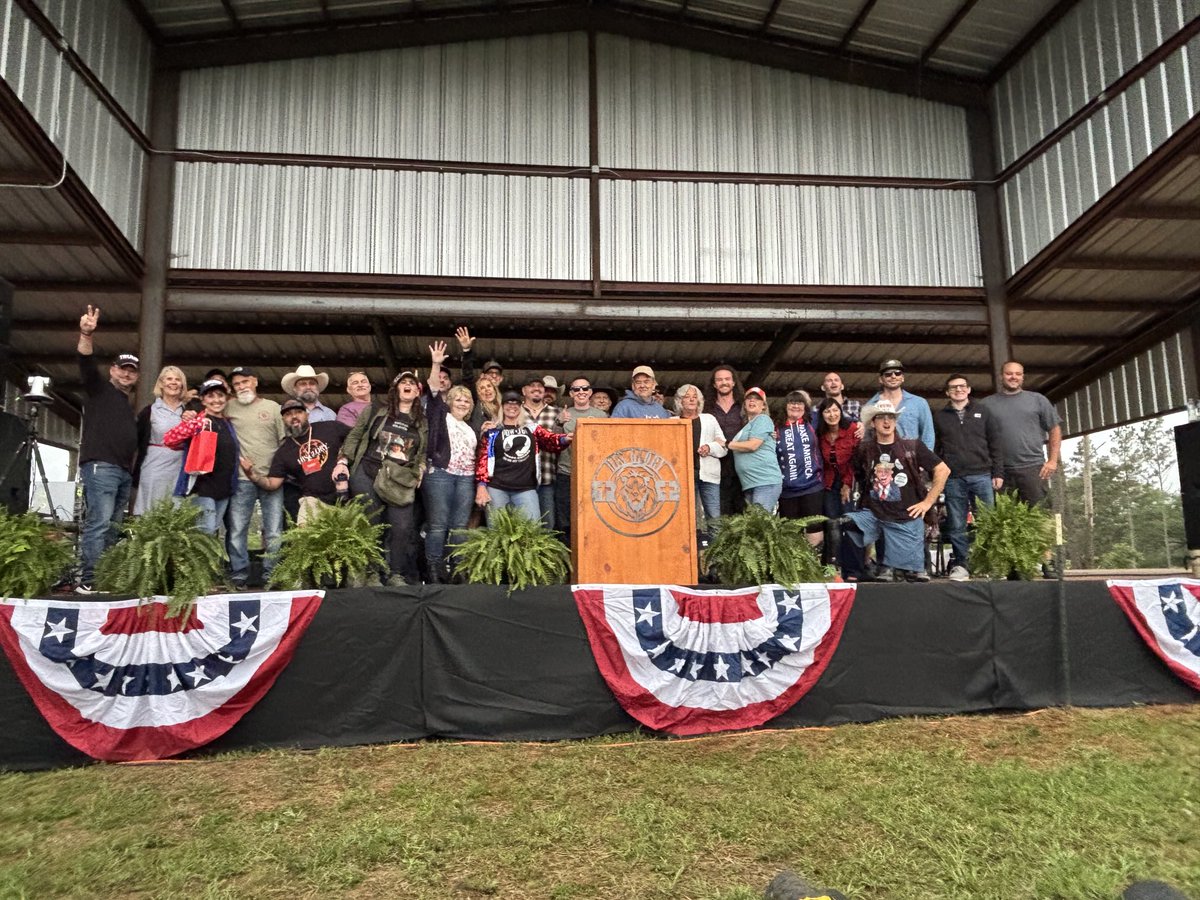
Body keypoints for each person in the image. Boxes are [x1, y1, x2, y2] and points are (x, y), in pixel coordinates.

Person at [333, 371, 428, 586]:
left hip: (399, 478)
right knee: (371, 522)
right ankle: (372, 573)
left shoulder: (422, 420)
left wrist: (421, 466)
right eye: (403, 382)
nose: (408, 386)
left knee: (402, 526)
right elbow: (355, 435)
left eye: (412, 384)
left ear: (416, 392)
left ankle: (396, 574)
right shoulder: (376, 409)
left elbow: (423, 450)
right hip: (368, 470)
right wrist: (343, 461)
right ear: (395, 388)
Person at [843, 400, 949, 582]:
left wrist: (927, 502)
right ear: (873, 423)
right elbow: (859, 475)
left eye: (891, 417)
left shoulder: (912, 446)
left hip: (907, 514)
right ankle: (854, 570)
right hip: (877, 515)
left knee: (915, 576)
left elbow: (943, 470)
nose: (887, 421)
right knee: (846, 526)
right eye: (881, 417)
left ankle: (906, 568)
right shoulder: (864, 449)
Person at [74, 306, 140, 593]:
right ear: (113, 370)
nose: (127, 374)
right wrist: (86, 333)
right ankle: (90, 580)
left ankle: (105, 578)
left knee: (113, 528)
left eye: (132, 371)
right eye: (122, 368)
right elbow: (86, 362)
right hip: (101, 467)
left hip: (122, 471)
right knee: (99, 524)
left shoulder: (125, 403)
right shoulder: (100, 390)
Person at [983, 359, 1063, 579]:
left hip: (1033, 467)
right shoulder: (987, 404)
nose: (1013, 377)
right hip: (1001, 471)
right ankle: (1013, 566)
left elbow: (1054, 429)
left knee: (1039, 517)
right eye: (1009, 374)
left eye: (1017, 374)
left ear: (1023, 376)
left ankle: (1048, 563)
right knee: (1006, 520)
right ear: (1001, 376)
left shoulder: (1037, 400)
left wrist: (1052, 460)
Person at [934, 374, 1003, 581]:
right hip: (954, 478)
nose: (958, 390)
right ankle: (962, 564)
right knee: (957, 524)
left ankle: (990, 563)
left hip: (982, 474)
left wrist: (998, 472)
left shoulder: (984, 411)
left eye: (962, 386)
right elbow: (936, 450)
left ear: (969, 390)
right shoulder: (939, 416)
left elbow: (996, 444)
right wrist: (939, 475)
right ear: (947, 392)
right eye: (953, 387)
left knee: (987, 521)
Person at [224, 365, 285, 588]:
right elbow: (208, 412)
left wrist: (280, 472)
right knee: (238, 528)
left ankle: (272, 575)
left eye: (245, 382)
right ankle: (239, 575)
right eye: (237, 384)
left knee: (274, 530)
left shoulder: (273, 407)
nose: (241, 387)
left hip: (272, 478)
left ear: (255, 381)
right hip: (241, 478)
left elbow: (284, 442)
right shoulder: (228, 406)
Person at [423, 341, 478, 582]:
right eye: (459, 399)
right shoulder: (439, 415)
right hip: (440, 474)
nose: (463, 403)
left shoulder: (470, 426)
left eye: (467, 401)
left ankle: (458, 568)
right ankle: (434, 569)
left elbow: (470, 384)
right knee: (438, 525)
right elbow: (433, 390)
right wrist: (436, 364)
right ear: (450, 401)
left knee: (459, 527)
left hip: (466, 478)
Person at [475, 390, 571, 525]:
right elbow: (482, 460)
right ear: (502, 407)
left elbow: (551, 440)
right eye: (508, 403)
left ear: (521, 407)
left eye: (516, 404)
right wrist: (481, 486)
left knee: (532, 531)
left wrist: (565, 438)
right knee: (497, 533)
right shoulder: (492, 432)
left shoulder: (532, 429)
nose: (512, 406)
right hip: (497, 488)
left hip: (525, 488)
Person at [251, 399, 350, 526]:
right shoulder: (284, 451)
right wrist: (253, 475)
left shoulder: (330, 427)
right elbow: (272, 483)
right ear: (283, 420)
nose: (294, 417)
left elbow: (355, 438)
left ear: (307, 415)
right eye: (288, 414)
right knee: (304, 537)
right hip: (313, 500)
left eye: (298, 412)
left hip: (347, 493)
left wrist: (343, 459)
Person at [163, 379, 242, 535]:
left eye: (220, 395)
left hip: (224, 488)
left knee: (211, 536)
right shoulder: (197, 420)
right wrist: (196, 424)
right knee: (205, 533)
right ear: (203, 400)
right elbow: (169, 439)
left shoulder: (228, 424)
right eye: (211, 396)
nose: (216, 400)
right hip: (202, 487)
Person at [554, 375, 608, 545]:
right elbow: (553, 442)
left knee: (593, 519)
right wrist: (558, 422)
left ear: (590, 392)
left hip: (594, 475)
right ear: (571, 393)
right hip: (567, 473)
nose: (581, 392)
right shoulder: (563, 414)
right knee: (565, 520)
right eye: (576, 389)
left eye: (585, 388)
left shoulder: (602, 415)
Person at [133, 365, 194, 516]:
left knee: (175, 512)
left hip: (180, 468)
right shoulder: (150, 411)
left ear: (182, 385)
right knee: (150, 510)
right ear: (161, 383)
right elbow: (134, 439)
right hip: (154, 465)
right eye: (169, 379)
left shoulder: (189, 411)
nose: (173, 383)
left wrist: (194, 421)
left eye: (177, 379)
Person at [816, 396, 863, 580]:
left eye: (835, 410)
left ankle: (854, 570)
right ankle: (833, 569)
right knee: (832, 525)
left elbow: (856, 459)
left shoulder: (852, 429)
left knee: (851, 524)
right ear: (822, 415)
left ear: (840, 411)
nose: (832, 414)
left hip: (851, 482)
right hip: (829, 484)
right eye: (827, 411)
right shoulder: (820, 435)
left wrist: (846, 483)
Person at [674, 383, 726, 527]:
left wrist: (709, 447)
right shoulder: (672, 422)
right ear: (680, 401)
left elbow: (723, 446)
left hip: (708, 475)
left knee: (714, 517)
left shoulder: (709, 419)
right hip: (683, 477)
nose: (691, 399)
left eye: (695, 397)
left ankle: (716, 549)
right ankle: (693, 549)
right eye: (687, 397)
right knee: (688, 517)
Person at [776, 390, 824, 547]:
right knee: (790, 533)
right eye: (792, 402)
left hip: (812, 486)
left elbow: (837, 418)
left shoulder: (813, 422)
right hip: (787, 490)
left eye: (799, 402)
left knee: (814, 529)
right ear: (785, 406)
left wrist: (859, 425)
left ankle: (813, 567)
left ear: (806, 406)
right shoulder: (776, 427)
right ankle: (794, 569)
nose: (795, 406)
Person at [727, 387, 783, 512]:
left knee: (759, 525)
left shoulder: (763, 419)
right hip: (751, 483)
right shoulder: (748, 425)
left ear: (764, 406)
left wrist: (727, 444)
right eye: (749, 399)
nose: (752, 401)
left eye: (757, 399)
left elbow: (753, 445)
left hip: (764, 481)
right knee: (754, 526)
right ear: (744, 404)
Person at [520, 373, 563, 527]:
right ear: (524, 391)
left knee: (547, 524)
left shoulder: (556, 414)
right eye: (532, 386)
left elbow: (561, 443)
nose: (536, 389)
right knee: (522, 524)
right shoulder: (515, 412)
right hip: (520, 480)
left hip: (547, 476)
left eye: (540, 386)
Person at [703, 364, 745, 515]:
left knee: (743, 514)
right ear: (714, 384)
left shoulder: (744, 406)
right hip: (716, 468)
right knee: (721, 515)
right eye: (719, 380)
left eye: (727, 379)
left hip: (742, 466)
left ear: (734, 382)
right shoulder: (706, 408)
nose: (724, 382)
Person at [866, 358, 935, 449]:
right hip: (882, 459)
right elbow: (866, 438)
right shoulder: (870, 406)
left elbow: (928, 435)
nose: (893, 376)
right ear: (880, 379)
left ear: (902, 378)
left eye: (898, 373)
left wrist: (926, 460)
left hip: (913, 459)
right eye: (888, 374)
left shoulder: (919, 403)